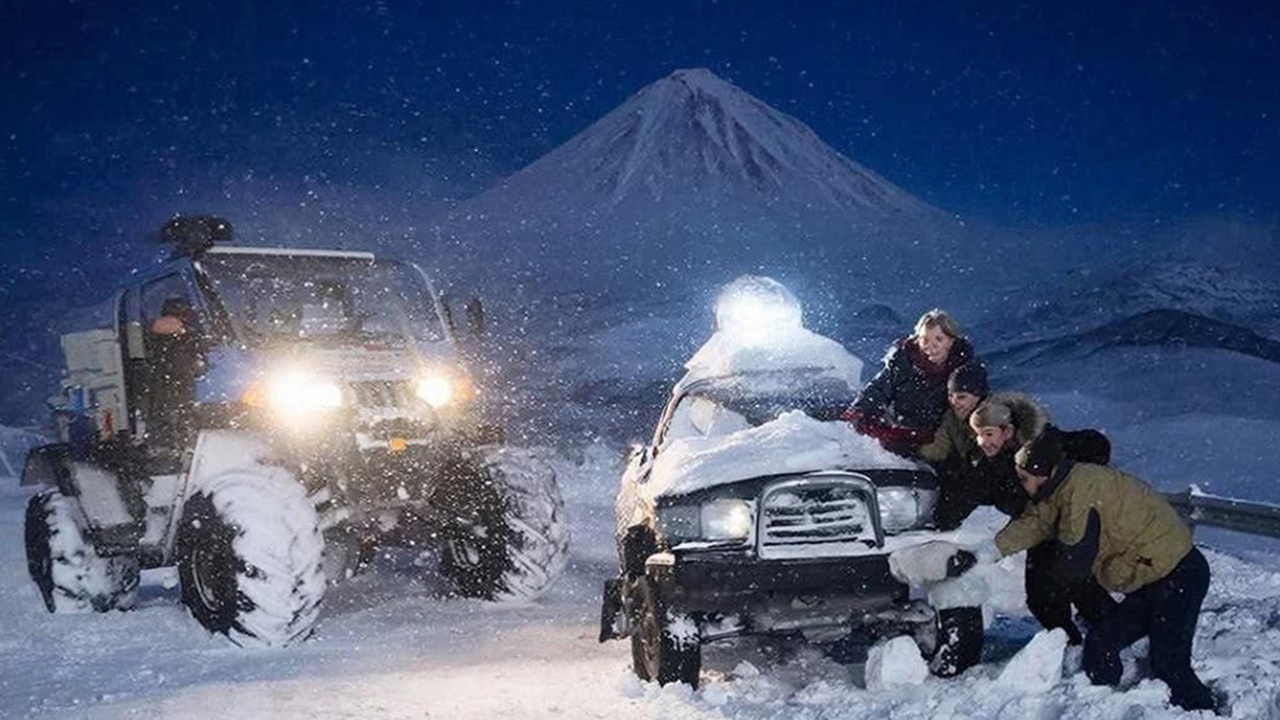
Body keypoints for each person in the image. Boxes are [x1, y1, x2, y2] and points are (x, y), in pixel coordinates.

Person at [973, 431, 1216, 712]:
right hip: (1151, 581)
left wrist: (1050, 581)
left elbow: (1075, 558)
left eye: (1024, 478)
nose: (1021, 485)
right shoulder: (1057, 488)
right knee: (1100, 645)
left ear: (1043, 473)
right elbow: (1035, 523)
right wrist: (987, 552)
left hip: (1180, 575)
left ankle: (1205, 711)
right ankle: (1105, 707)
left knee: (1169, 663)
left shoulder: (1082, 492)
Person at [845, 309, 975, 455]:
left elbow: (973, 401)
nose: (931, 346)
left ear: (951, 341)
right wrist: (861, 411)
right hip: (904, 426)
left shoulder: (964, 367)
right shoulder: (903, 361)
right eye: (925, 339)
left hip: (942, 431)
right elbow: (879, 388)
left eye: (939, 339)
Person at [147, 297, 204, 452]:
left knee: (166, 417)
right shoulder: (187, 334)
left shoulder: (155, 333)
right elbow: (197, 360)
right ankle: (180, 450)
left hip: (162, 383)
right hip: (181, 382)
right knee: (182, 417)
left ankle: (167, 448)